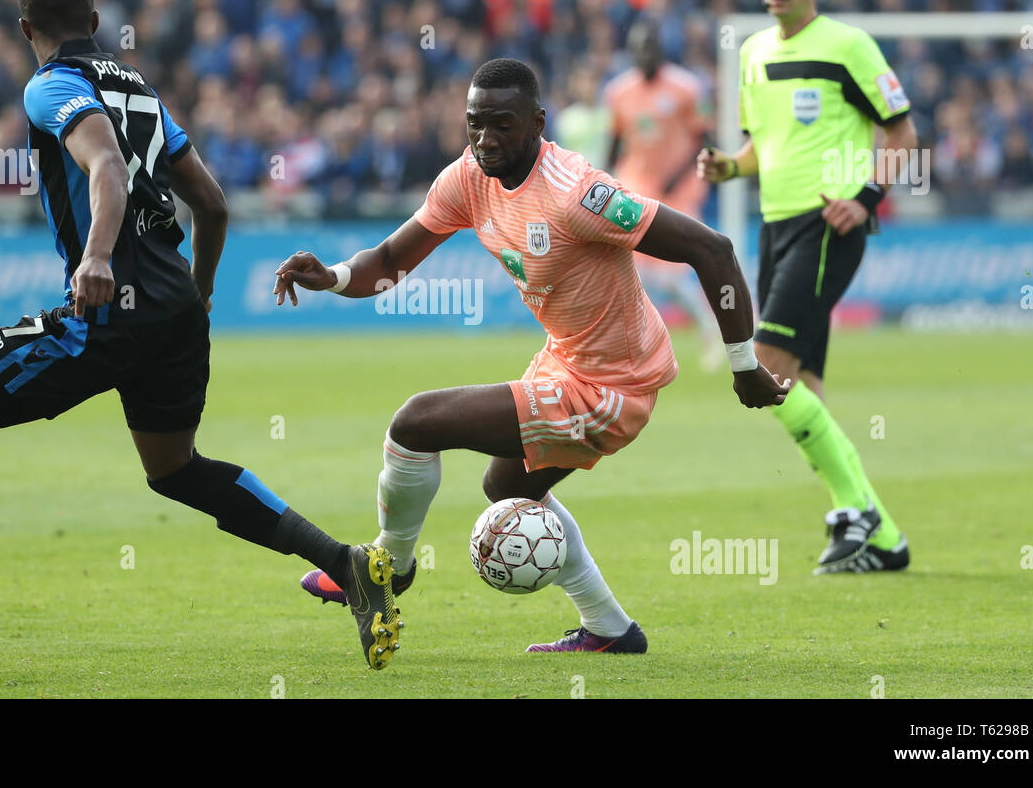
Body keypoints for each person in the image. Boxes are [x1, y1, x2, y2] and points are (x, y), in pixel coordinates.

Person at [0, 0, 403, 671]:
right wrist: (198, 296)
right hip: (171, 305)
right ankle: (346, 561)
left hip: (109, 307)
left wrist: (97, 258)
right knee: (173, 467)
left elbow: (103, 165)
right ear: (96, 22)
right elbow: (213, 203)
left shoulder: (50, 86)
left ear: (25, 29)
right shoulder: (140, 88)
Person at [274, 58, 788, 653]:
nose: (486, 140)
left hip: (610, 388)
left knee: (415, 424)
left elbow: (713, 249)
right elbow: (390, 261)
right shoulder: (469, 177)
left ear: (537, 122)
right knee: (508, 487)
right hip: (565, 360)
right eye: (475, 124)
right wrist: (334, 276)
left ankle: (388, 566)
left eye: (502, 125)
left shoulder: (581, 196)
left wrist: (744, 363)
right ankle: (611, 630)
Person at [697, 0, 918, 574]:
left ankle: (857, 514)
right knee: (802, 386)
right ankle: (881, 535)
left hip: (829, 225)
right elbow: (763, 146)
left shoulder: (850, 45)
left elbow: (903, 133)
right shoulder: (754, 52)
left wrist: (868, 197)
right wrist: (729, 168)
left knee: (763, 368)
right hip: (775, 228)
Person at [605, 17, 724, 372]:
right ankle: (638, 345)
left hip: (680, 190)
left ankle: (709, 330)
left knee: (671, 274)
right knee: (636, 273)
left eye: (650, 48)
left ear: (661, 50)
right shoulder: (618, 92)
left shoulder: (687, 88)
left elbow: (706, 139)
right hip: (637, 185)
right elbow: (614, 144)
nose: (645, 54)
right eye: (638, 49)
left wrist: (679, 175)